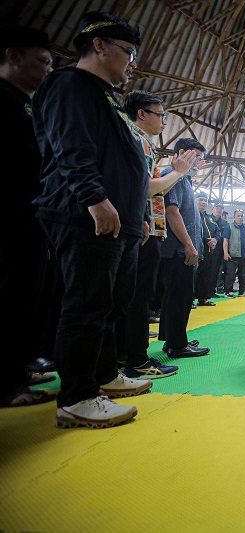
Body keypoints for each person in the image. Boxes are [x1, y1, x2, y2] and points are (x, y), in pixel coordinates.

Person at [33, 11, 154, 427]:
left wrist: (135, 218)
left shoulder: (107, 98)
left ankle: (103, 376)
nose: (132, 62)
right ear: (99, 45)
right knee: (85, 304)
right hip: (83, 214)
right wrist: (95, 199)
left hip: (117, 221)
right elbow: (71, 148)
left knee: (108, 304)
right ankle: (77, 396)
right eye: (128, 52)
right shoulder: (70, 85)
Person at [118, 90, 197, 379]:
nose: (164, 121)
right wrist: (177, 172)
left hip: (142, 226)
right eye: (160, 114)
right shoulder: (134, 138)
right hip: (138, 232)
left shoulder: (144, 143)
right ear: (142, 114)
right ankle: (136, 359)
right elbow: (147, 188)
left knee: (133, 297)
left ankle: (125, 353)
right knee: (138, 297)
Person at [0, 25, 58, 408]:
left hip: (33, 215)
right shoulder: (2, 99)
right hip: (10, 215)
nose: (48, 70)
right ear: (13, 56)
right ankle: (6, 383)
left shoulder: (30, 105)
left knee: (28, 299)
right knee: (8, 298)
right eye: (42, 61)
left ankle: (19, 368)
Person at [158, 138, 211, 358]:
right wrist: (189, 245)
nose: (199, 162)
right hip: (178, 249)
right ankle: (177, 345)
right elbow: (172, 212)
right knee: (180, 297)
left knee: (177, 297)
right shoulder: (174, 177)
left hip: (182, 249)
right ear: (182, 153)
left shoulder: (185, 180)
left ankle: (173, 338)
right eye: (197, 157)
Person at [195, 192, 221, 305]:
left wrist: (215, 240)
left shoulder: (210, 218)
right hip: (196, 249)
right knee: (194, 275)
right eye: (201, 200)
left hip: (210, 251)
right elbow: (195, 231)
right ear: (195, 200)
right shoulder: (192, 215)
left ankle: (204, 298)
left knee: (207, 275)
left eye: (205, 200)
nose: (203, 202)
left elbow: (217, 231)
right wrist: (207, 241)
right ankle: (189, 299)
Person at [222, 209, 245, 297]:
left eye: (241, 216)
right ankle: (228, 292)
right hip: (232, 255)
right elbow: (225, 240)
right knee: (230, 274)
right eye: (238, 216)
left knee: (243, 275)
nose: (240, 217)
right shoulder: (229, 227)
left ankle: (242, 291)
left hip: (244, 256)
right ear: (234, 217)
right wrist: (225, 252)